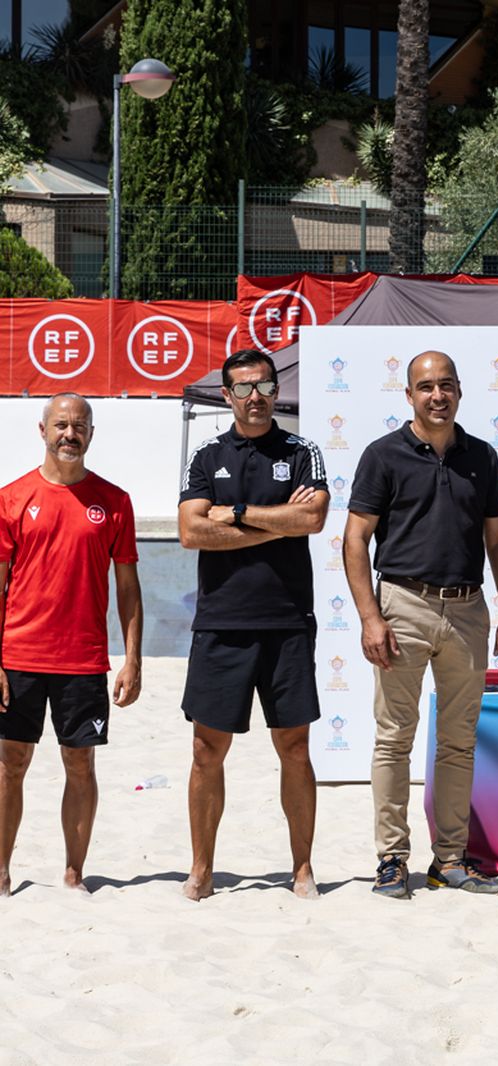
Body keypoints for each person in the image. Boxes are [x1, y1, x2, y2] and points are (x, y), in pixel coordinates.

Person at [344, 351, 498, 899]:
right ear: (409, 395)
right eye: (426, 387)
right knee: (394, 739)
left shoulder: (481, 456)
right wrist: (371, 617)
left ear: (461, 391)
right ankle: (392, 860)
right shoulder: (383, 455)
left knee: (459, 744)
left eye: (446, 385)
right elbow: (355, 540)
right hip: (403, 606)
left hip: (468, 610)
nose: (437, 395)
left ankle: (449, 859)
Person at [177, 351, 327, 900]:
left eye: (264, 385)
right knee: (205, 751)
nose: (256, 396)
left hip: (287, 621)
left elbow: (312, 518)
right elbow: (191, 533)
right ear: (226, 396)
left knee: (294, 748)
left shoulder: (300, 449)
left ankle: (303, 868)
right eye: (243, 389)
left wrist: (236, 513)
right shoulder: (206, 455)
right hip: (221, 622)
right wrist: (277, 523)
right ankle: (201, 869)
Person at [0, 394, 141, 897]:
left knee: (79, 764)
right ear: (42, 431)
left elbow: (127, 589)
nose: (69, 433)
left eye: (79, 425)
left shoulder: (115, 501)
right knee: (11, 763)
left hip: (83, 662)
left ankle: (74, 873)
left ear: (91, 434)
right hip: (19, 656)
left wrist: (132, 658)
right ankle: (0, 871)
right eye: (60, 424)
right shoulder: (12, 498)